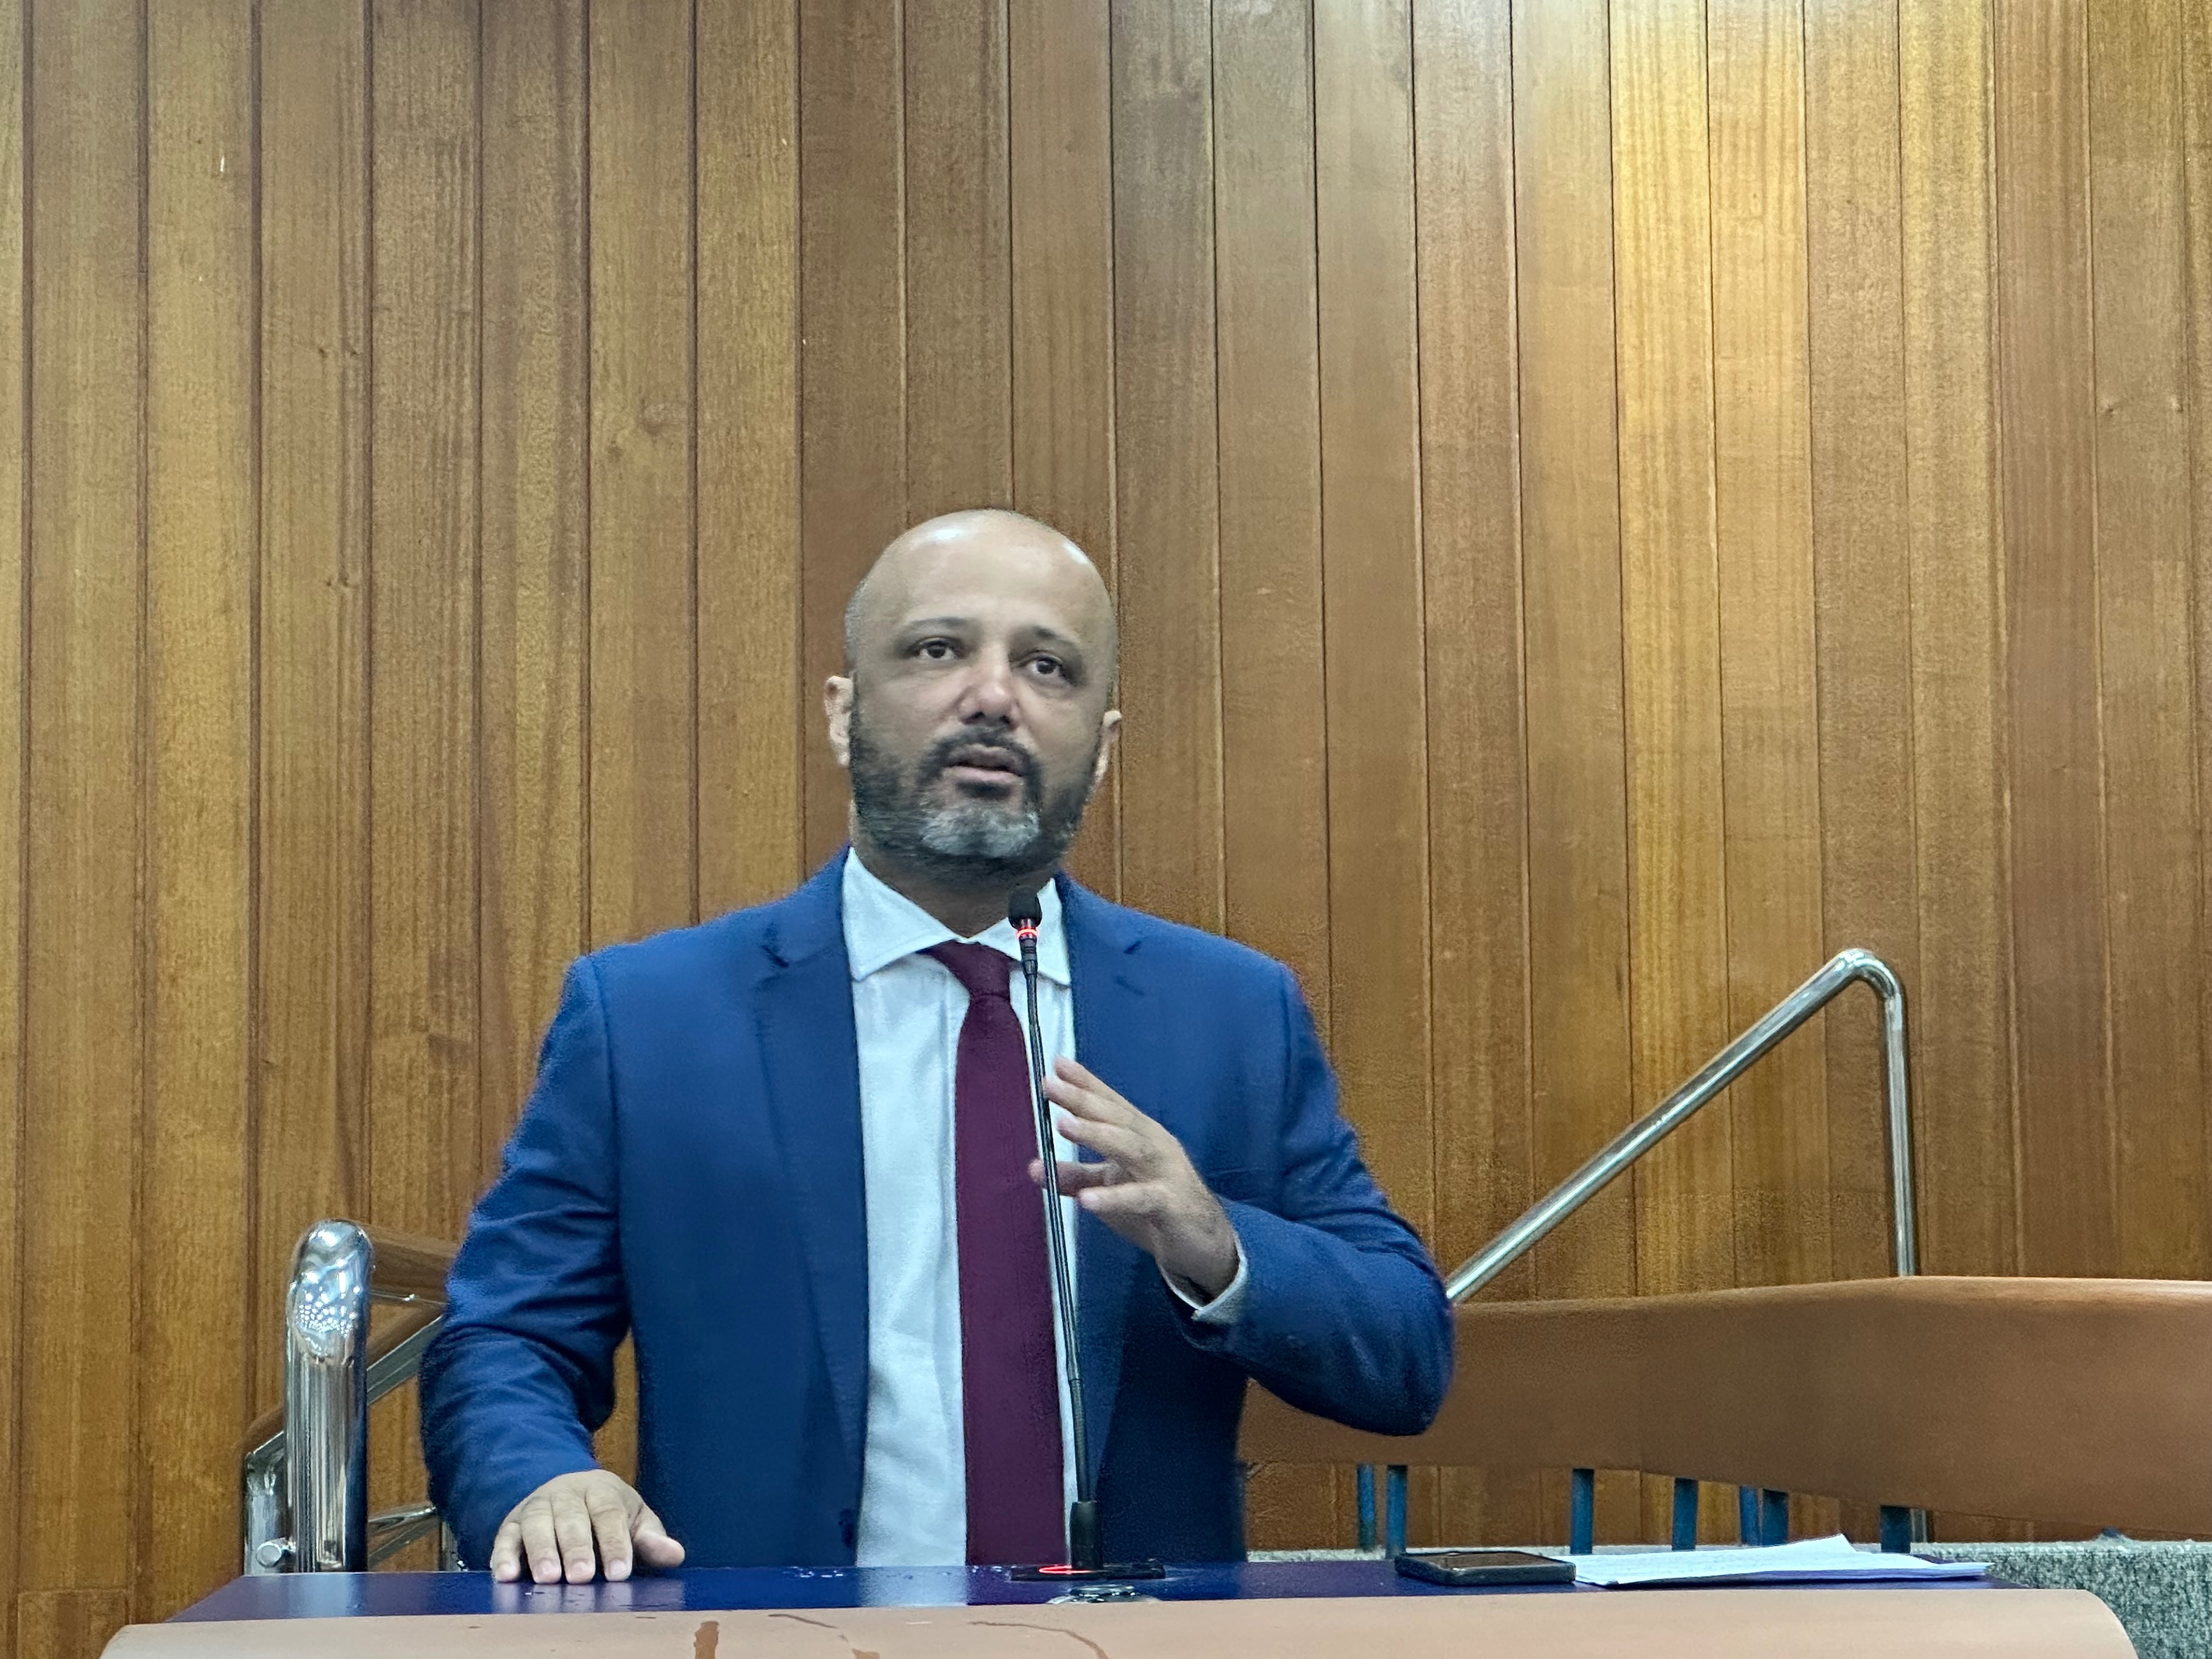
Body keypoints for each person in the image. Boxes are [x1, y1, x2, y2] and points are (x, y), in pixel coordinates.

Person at [418, 509, 1454, 1584]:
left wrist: (1216, 1243)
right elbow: (505, 1340)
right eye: (937, 649)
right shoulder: (649, 1018)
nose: (994, 697)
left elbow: (1406, 1354)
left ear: (1102, 747)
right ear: (844, 713)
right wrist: (543, 1479)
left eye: (1048, 667)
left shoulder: (1228, 1013)